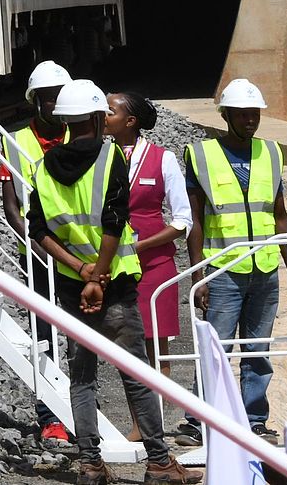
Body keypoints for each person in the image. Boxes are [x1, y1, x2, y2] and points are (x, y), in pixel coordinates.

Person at [27, 78, 197, 484]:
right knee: (135, 374)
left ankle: (90, 463)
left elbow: (38, 229)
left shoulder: (43, 166)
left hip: (72, 287)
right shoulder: (110, 158)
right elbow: (113, 221)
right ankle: (158, 462)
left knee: (82, 378)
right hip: (114, 284)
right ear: (94, 119)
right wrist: (100, 275)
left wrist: (80, 270)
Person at [174, 78, 287, 446]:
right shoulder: (200, 154)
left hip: (265, 268)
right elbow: (194, 220)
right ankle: (199, 421)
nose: (251, 120)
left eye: (255, 114)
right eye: (243, 114)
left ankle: (254, 419)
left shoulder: (272, 153)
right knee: (216, 349)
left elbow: (281, 217)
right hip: (223, 269)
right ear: (226, 115)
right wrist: (197, 272)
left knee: (258, 348)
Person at [105, 90, 194, 441]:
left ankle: (149, 423)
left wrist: (140, 244)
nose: (103, 115)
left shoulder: (163, 159)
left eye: (110, 110)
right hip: (115, 266)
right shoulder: (101, 156)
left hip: (154, 265)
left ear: (131, 121)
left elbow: (182, 219)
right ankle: (138, 420)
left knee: (156, 345)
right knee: (127, 347)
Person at [0, 60, 73, 447]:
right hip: (38, 255)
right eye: (50, 98)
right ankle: (50, 418)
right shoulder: (16, 142)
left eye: (62, 97)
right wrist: (39, 242)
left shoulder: (78, 133)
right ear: (36, 101)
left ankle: (79, 410)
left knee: (78, 336)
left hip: (78, 255)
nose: (57, 105)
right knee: (43, 335)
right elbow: (11, 206)